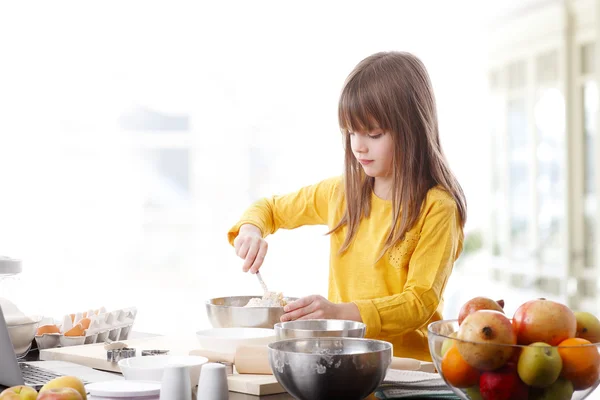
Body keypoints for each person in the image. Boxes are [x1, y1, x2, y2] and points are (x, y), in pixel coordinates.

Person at [227, 51, 467, 361]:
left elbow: (419, 302)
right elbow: (270, 208)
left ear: (413, 130)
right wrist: (251, 229)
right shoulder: (342, 194)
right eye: (351, 132)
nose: (359, 146)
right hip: (347, 363)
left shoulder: (437, 208)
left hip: (406, 372)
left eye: (374, 133)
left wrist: (340, 313)